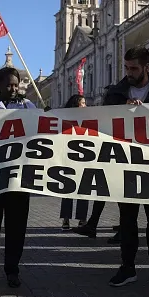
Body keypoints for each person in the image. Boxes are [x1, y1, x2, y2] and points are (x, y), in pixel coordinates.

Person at [103, 46, 149, 289]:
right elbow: (103, 124)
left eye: (134, 68)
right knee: (127, 220)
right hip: (126, 165)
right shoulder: (115, 94)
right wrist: (123, 106)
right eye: (126, 68)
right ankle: (127, 267)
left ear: (146, 67)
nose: (129, 72)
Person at [0, 66, 37, 288]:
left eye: (16, 84)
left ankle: (12, 270)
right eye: (9, 85)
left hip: (18, 178)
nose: (13, 89)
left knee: (16, 228)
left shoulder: (28, 106)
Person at [59, 94, 89, 230]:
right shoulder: (65, 119)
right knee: (68, 189)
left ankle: (82, 219)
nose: (85, 106)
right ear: (76, 105)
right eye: (82, 103)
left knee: (84, 189)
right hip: (69, 158)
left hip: (86, 158)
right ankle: (66, 219)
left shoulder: (89, 118)